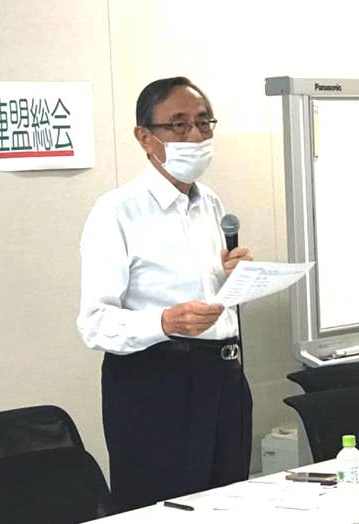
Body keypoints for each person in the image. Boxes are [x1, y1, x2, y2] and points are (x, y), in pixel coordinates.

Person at [77, 76, 253, 512]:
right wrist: (163, 322)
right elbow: (94, 323)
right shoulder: (117, 211)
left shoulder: (209, 202)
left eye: (203, 122)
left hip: (224, 375)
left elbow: (208, 297)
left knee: (228, 502)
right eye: (178, 124)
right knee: (162, 509)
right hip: (156, 381)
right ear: (145, 137)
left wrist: (234, 278)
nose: (194, 135)